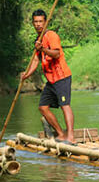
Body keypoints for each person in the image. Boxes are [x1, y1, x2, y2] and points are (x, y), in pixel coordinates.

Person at [21, 9, 75, 144]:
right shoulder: (38, 40)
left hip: (61, 77)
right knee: (43, 107)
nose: (38, 24)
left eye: (41, 21)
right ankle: (61, 134)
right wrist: (27, 74)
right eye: (36, 22)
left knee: (65, 105)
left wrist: (43, 49)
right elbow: (35, 60)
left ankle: (71, 137)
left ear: (45, 22)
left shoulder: (51, 35)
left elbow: (56, 54)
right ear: (33, 23)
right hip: (50, 80)